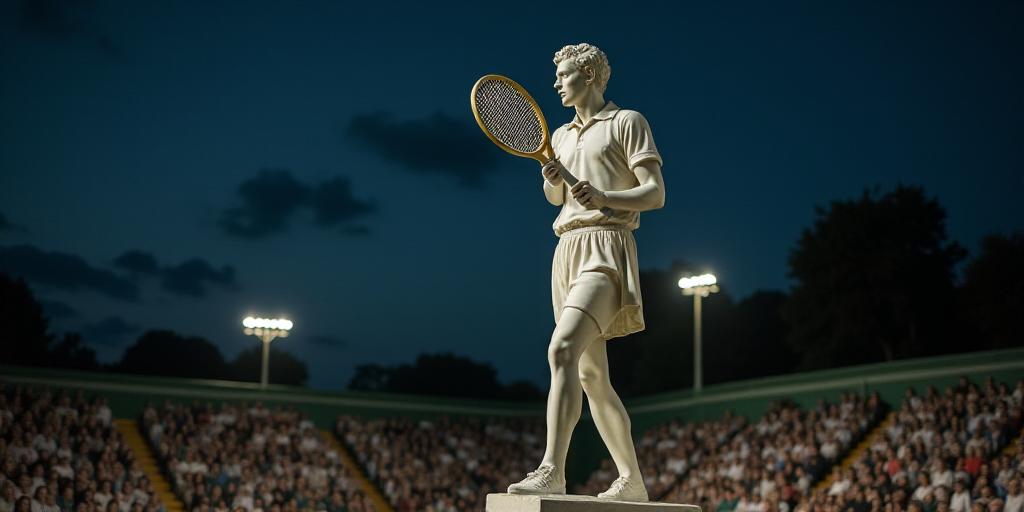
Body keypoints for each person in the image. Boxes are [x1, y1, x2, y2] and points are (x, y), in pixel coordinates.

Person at [506, 43, 666, 503]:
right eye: (556, 76)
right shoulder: (556, 135)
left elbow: (654, 194)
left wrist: (607, 197)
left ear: (590, 75)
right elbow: (556, 201)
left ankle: (552, 468)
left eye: (564, 75)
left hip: (606, 247)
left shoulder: (627, 122)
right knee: (593, 377)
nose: (556, 83)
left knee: (561, 350)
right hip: (566, 251)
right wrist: (553, 179)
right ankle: (632, 480)